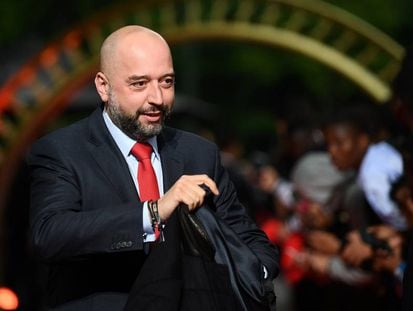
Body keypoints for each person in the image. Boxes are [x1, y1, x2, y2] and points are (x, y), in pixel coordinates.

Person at [26, 25, 279, 311]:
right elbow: (48, 234)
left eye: (167, 82)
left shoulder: (198, 153)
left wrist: (252, 278)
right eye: (139, 84)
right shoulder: (63, 150)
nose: (157, 98)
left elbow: (249, 239)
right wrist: (154, 211)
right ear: (103, 86)